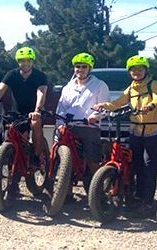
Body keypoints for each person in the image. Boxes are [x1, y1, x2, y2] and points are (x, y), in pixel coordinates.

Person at [93, 55, 157, 217]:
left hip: (153, 132)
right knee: (135, 165)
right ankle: (134, 198)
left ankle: (147, 203)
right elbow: (117, 103)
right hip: (136, 131)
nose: (137, 72)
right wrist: (102, 105)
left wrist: (150, 106)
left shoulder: (153, 84)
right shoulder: (131, 88)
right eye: (133, 70)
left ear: (146, 70)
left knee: (148, 167)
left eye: (140, 69)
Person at [56, 52, 110, 202]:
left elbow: (104, 107)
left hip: (88, 125)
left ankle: (98, 192)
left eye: (84, 67)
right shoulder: (68, 87)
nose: (80, 69)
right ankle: (65, 193)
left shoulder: (99, 85)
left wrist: (96, 116)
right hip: (69, 125)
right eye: (77, 66)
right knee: (65, 160)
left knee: (93, 160)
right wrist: (60, 123)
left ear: (90, 68)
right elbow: (61, 107)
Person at [0, 46, 48, 165]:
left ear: (32, 61)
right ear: (18, 61)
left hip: (35, 110)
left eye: (28, 60)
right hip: (18, 111)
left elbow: (41, 92)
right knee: (17, 134)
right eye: (22, 61)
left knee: (35, 124)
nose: (26, 64)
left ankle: (36, 156)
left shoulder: (39, 76)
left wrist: (37, 110)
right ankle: (17, 161)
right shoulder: (11, 75)